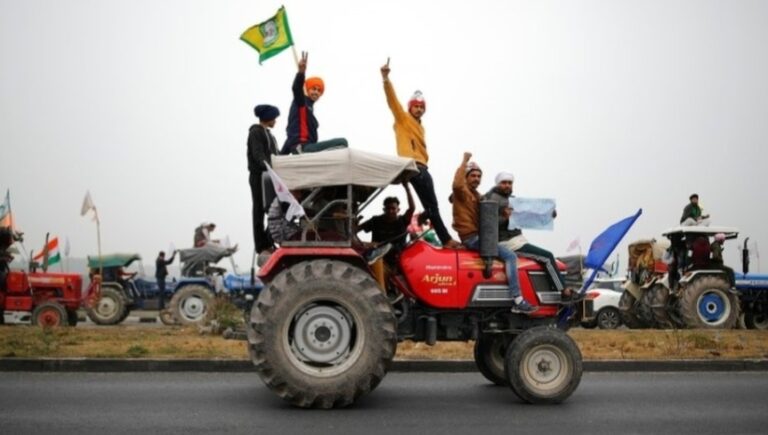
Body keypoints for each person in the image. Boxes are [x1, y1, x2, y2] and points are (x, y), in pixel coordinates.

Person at [380, 59, 459, 249]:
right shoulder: (403, 120)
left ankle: (433, 230)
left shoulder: (419, 127)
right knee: (433, 206)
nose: (419, 109)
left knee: (430, 206)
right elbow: (393, 102)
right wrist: (385, 79)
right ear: (409, 107)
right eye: (416, 106)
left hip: (421, 166)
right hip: (415, 166)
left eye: (422, 107)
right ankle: (446, 239)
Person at [451, 152, 536, 313]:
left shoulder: (477, 196)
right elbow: (456, 185)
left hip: (481, 237)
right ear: (466, 177)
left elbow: (491, 204)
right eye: (473, 175)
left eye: (478, 176)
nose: (476, 178)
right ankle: (517, 298)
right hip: (472, 238)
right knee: (511, 256)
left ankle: (490, 262)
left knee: (498, 248)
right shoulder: (461, 192)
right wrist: (464, 160)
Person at [483, 172, 573, 297]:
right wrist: (505, 217)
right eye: (504, 183)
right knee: (547, 257)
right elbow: (488, 224)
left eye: (510, 183)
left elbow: (526, 216)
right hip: (508, 242)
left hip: (517, 240)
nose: (507, 185)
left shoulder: (511, 200)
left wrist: (547, 214)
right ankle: (563, 291)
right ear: (497, 184)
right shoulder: (493, 199)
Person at [280, 51, 347, 155]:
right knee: (342, 143)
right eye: (313, 88)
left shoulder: (309, 109)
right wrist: (301, 72)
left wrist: (281, 156)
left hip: (306, 147)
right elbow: (296, 88)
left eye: (319, 90)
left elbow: (291, 135)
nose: (316, 92)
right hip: (303, 148)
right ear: (307, 89)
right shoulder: (301, 102)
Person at [247, 103, 280, 254]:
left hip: (271, 176)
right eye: (274, 118)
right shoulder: (256, 132)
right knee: (259, 209)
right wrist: (268, 167)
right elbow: (257, 153)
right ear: (268, 117)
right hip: (259, 176)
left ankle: (268, 240)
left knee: (275, 208)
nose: (276, 121)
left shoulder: (270, 135)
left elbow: (276, 155)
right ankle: (261, 245)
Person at [358, 182, 415, 264]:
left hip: (398, 258)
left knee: (390, 247)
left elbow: (412, 208)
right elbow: (357, 229)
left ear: (398, 210)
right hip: (377, 258)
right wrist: (363, 244)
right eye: (388, 208)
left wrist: (407, 187)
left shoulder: (402, 221)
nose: (390, 211)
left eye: (393, 208)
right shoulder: (375, 220)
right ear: (384, 210)